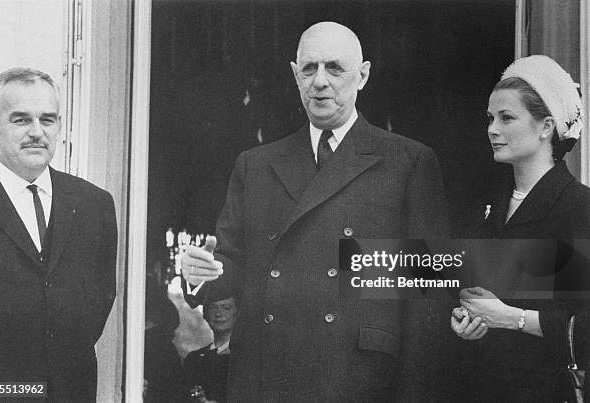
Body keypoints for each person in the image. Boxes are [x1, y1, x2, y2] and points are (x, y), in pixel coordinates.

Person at [182, 21, 449, 401]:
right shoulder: (255, 165)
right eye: (309, 68)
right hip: (268, 378)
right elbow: (231, 264)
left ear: (363, 75)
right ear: (295, 75)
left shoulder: (407, 162)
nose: (320, 81)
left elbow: (425, 299)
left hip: (360, 379)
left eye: (334, 68)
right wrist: (199, 274)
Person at [451, 55, 590, 402]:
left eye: (507, 118)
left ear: (546, 126)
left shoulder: (578, 207)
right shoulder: (485, 208)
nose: (492, 129)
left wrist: (512, 318)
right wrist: (467, 321)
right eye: (490, 118)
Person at [0, 68, 117, 402]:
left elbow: (101, 295)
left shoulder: (94, 203)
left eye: (48, 119)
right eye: (21, 120)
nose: (37, 132)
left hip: (72, 389)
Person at [179, 297, 237, 403]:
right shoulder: (193, 359)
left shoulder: (245, 358)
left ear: (237, 314)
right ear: (205, 315)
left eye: (226, 308)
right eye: (212, 308)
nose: (219, 314)